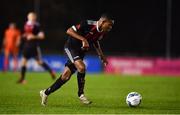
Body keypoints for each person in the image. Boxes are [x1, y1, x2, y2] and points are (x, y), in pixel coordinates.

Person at [40, 14, 114, 106]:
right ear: (102, 22)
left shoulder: (102, 32)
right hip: (71, 47)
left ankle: (46, 92)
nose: (110, 28)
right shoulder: (87, 24)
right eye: (109, 25)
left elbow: (95, 41)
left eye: (111, 26)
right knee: (82, 67)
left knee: (65, 76)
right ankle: (81, 94)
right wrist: (83, 39)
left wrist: (101, 55)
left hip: (80, 52)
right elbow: (69, 31)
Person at [17, 12, 56, 84]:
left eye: (32, 16)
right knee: (23, 62)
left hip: (34, 46)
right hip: (26, 45)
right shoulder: (26, 24)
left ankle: (51, 71)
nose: (30, 17)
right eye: (29, 16)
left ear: (34, 17)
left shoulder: (37, 26)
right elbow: (26, 34)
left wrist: (33, 36)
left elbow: (42, 36)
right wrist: (23, 36)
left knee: (39, 62)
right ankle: (22, 79)